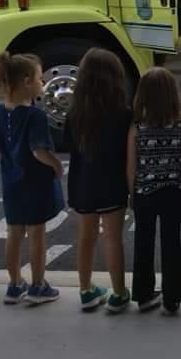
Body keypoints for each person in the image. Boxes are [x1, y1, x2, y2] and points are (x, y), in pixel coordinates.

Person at [0, 52, 64, 305]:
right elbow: (38, 150)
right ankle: (38, 285)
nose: (43, 82)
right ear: (28, 81)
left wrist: (10, 155)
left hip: (11, 180)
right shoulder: (35, 116)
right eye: (41, 78)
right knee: (37, 233)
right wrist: (56, 165)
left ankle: (15, 283)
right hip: (35, 181)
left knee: (14, 232)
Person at [65, 48, 132, 312]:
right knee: (113, 238)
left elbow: (70, 147)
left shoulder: (75, 115)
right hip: (112, 185)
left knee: (86, 237)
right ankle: (118, 292)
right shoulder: (123, 114)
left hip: (82, 184)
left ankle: (86, 289)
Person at [127, 68, 181, 315]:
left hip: (144, 191)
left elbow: (131, 166)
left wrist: (132, 193)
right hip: (172, 191)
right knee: (171, 243)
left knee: (143, 242)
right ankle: (172, 297)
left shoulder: (137, 127)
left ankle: (143, 294)